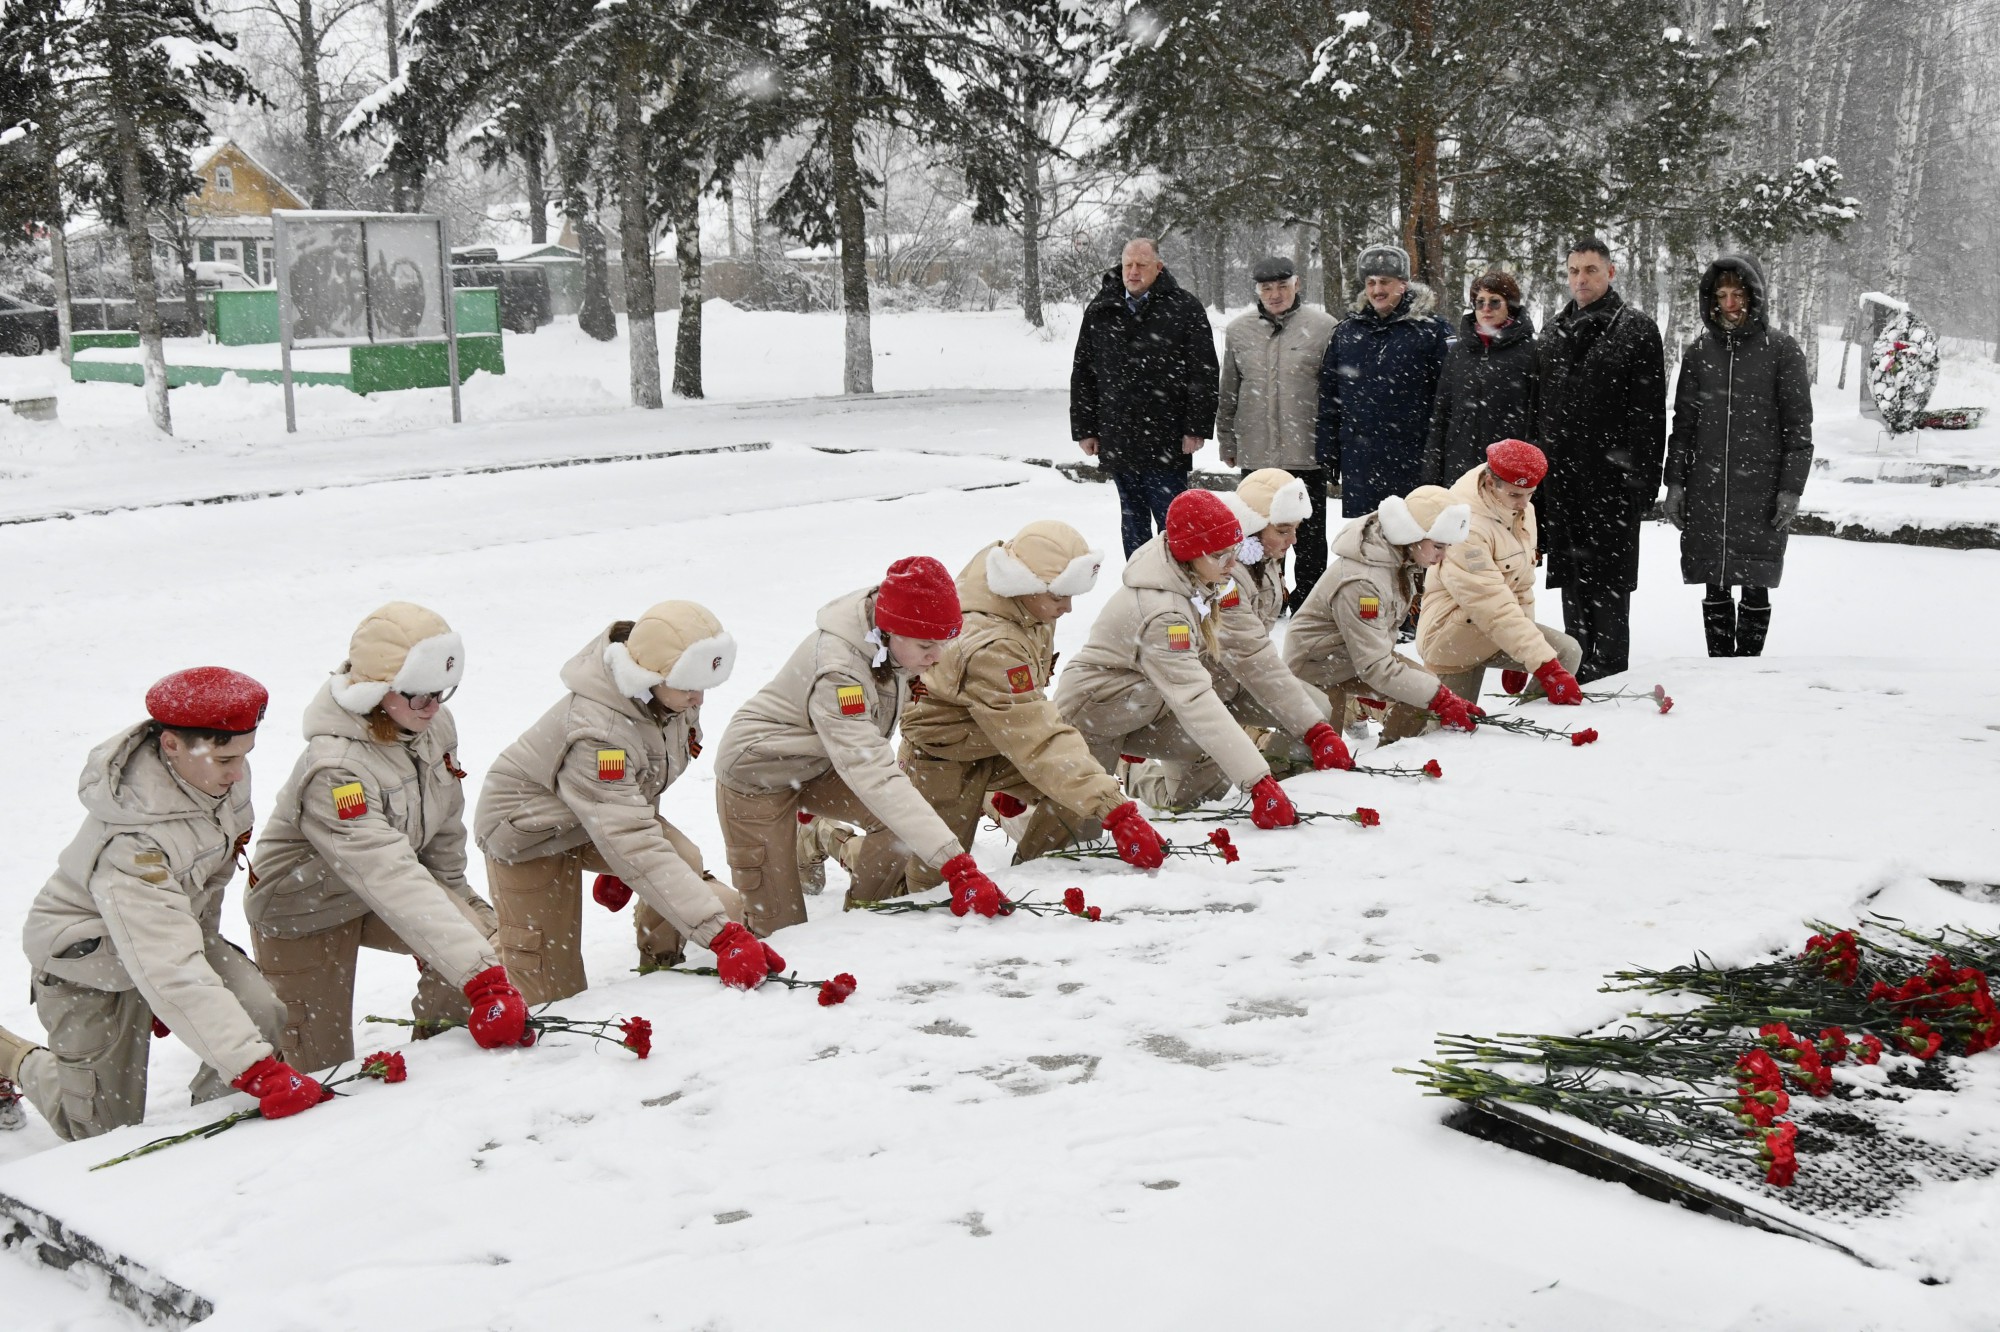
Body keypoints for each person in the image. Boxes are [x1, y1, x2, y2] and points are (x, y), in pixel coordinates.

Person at [1, 669, 329, 1141]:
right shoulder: (131, 839)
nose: (238, 773)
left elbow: (208, 884)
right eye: (224, 759)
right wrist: (255, 1069)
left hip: (167, 933)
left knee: (259, 1012)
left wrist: (232, 1056)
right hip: (89, 959)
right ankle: (10, 1056)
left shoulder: (219, 777)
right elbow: (169, 965)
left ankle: (219, 1126)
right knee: (98, 1130)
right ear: (172, 745)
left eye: (244, 755)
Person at [248, 604, 532, 1073]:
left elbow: (444, 826)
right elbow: (384, 870)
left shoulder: (432, 726)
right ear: (376, 693)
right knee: (320, 1066)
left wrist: (460, 903)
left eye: (442, 692)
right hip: (306, 908)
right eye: (419, 696)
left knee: (479, 950)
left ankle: (443, 1055)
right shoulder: (335, 767)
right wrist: (475, 972)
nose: (434, 706)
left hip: (381, 892)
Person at [476, 602, 777, 1006]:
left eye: (704, 685)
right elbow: (631, 836)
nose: (699, 699)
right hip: (528, 834)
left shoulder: (670, 701)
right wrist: (724, 938)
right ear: (651, 674)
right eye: (689, 685)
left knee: (682, 858)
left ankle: (661, 962)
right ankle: (473, 971)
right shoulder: (598, 732)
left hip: (592, 814)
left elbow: (641, 784)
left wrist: (619, 856)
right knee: (552, 988)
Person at [715, 557, 1010, 932]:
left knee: (898, 828)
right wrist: (958, 865)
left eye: (942, 644)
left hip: (822, 762)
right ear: (892, 631)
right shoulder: (840, 671)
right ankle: (688, 902)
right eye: (926, 646)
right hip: (759, 774)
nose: (936, 657)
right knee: (782, 930)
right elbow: (872, 771)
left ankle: (863, 920)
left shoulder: (891, 637)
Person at [1056, 489, 1350, 828]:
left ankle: (1158, 785)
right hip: (1099, 716)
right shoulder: (1164, 612)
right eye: (1219, 555)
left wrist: (1313, 730)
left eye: (1234, 552)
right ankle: (1001, 803)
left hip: (1151, 705)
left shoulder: (1204, 579)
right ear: (1190, 553)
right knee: (1071, 836)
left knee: (1213, 758)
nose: (1232, 564)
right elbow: (1193, 697)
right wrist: (1257, 781)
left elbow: (1251, 653)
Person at [897, 521, 1170, 877]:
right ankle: (825, 837)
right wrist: (1118, 813)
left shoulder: (1027, 601)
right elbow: (1038, 738)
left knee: (1077, 798)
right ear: (1023, 584)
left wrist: (1100, 803)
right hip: (942, 756)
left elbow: (1026, 716)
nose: (1068, 608)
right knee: (924, 886)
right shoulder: (993, 643)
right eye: (1059, 597)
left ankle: (1041, 875)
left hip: (1000, 738)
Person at [1126, 469, 1324, 808]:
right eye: (1283, 529)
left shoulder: (1264, 557)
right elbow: (1251, 653)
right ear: (1254, 524)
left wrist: (1312, 729)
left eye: (1296, 529)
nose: (1293, 540)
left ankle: (1280, 782)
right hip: (1196, 692)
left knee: (1316, 710)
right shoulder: (1226, 571)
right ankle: (1132, 770)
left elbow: (1254, 651)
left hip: (1232, 682)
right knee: (1188, 800)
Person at [1662, 254, 1814, 658]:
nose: (1729, 303)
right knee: (1714, 575)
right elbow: (1683, 426)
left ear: (1755, 296)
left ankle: (1748, 667)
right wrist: (1674, 482)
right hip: (1707, 487)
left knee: (1755, 576)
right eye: (1722, 294)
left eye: (1738, 294)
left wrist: (1791, 488)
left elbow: (1798, 429)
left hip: (1760, 488)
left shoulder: (1782, 350)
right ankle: (1718, 663)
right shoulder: (1698, 353)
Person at [1535, 238, 1666, 681]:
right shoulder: (1552, 331)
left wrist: (1644, 480)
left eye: (1590, 270)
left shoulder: (1637, 329)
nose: (1580, 279)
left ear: (1611, 273)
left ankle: (1609, 665)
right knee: (1571, 576)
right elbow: (1541, 410)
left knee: (1609, 579)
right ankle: (1577, 662)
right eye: (1573, 271)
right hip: (1563, 480)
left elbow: (1649, 412)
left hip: (1613, 481)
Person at [1283, 487, 1485, 748]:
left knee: (1423, 692)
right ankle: (1259, 736)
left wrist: (1436, 696)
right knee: (1312, 761)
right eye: (1438, 546)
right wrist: (1440, 699)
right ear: (1413, 534)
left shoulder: (1402, 557)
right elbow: (1375, 667)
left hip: (1356, 659)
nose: (1443, 556)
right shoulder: (1364, 582)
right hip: (1319, 667)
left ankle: (1394, 755)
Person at [1071, 237, 1220, 556]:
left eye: (1141, 265)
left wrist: (1196, 427)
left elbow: (1204, 371)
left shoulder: (1184, 307)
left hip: (1166, 439)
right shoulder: (1101, 308)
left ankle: (1179, 591)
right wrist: (1085, 428)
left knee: (1174, 523)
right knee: (1133, 522)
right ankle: (1140, 591)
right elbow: (1084, 372)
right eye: (1128, 265)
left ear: (1158, 267)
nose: (1133, 271)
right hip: (1119, 434)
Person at [1415, 440, 1586, 707]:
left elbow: (1521, 585)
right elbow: (1489, 602)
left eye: (1530, 493)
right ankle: (1376, 716)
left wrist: (1523, 652)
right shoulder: (1466, 526)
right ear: (1491, 482)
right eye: (1516, 495)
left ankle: (1531, 734)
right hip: (1453, 635)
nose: (1524, 503)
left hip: (1498, 626)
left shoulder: (1521, 508)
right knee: (1446, 733)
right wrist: (1539, 663)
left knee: (1567, 651)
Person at [1216, 256, 1338, 610]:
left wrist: (1332, 445)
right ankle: (1263, 597)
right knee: (1258, 533)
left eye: (1282, 286)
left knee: (1309, 537)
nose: (1274, 294)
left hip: (1306, 453)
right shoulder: (1239, 331)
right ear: (1257, 290)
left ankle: (1310, 602)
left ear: (1297, 285)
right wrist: (1227, 437)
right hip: (1257, 452)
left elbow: (1332, 393)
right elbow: (1229, 390)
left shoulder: (1323, 327)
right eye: (1267, 288)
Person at [1316, 242, 1452, 519]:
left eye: (1385, 282)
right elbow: (1330, 396)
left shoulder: (1432, 331)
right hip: (1360, 461)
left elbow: (1447, 399)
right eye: (1371, 282)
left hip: (1412, 460)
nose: (1377, 290)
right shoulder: (1347, 332)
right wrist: (1327, 448)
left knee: (1413, 546)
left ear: (1403, 284)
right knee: (1365, 546)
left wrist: (1439, 456)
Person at [1423, 270, 1539, 487]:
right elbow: (1441, 415)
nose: (1486, 309)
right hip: (1460, 468)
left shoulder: (1531, 352)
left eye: (1495, 302)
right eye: (1480, 302)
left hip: (1509, 472)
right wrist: (1432, 471)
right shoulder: (1459, 352)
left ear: (1509, 306)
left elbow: (1537, 420)